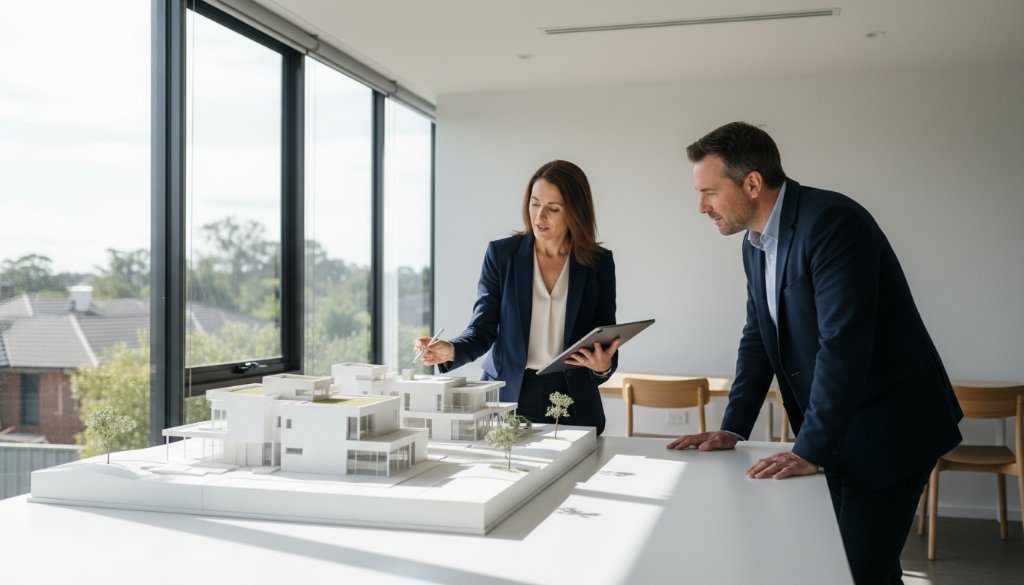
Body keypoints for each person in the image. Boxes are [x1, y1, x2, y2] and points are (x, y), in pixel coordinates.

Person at [668, 122, 963, 585]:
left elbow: (842, 343)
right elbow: (757, 338)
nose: (701, 207)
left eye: (709, 192)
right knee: (868, 571)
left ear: (751, 183)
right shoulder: (755, 244)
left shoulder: (831, 222)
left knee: (847, 572)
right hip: (840, 432)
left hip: (889, 430)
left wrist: (809, 448)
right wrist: (733, 427)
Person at [415, 160, 618, 434]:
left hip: (573, 397)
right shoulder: (502, 255)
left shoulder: (598, 263)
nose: (539, 216)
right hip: (509, 393)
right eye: (535, 204)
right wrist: (451, 350)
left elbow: (605, 336)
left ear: (575, 212)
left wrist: (603, 367)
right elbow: (482, 328)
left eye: (553, 209)